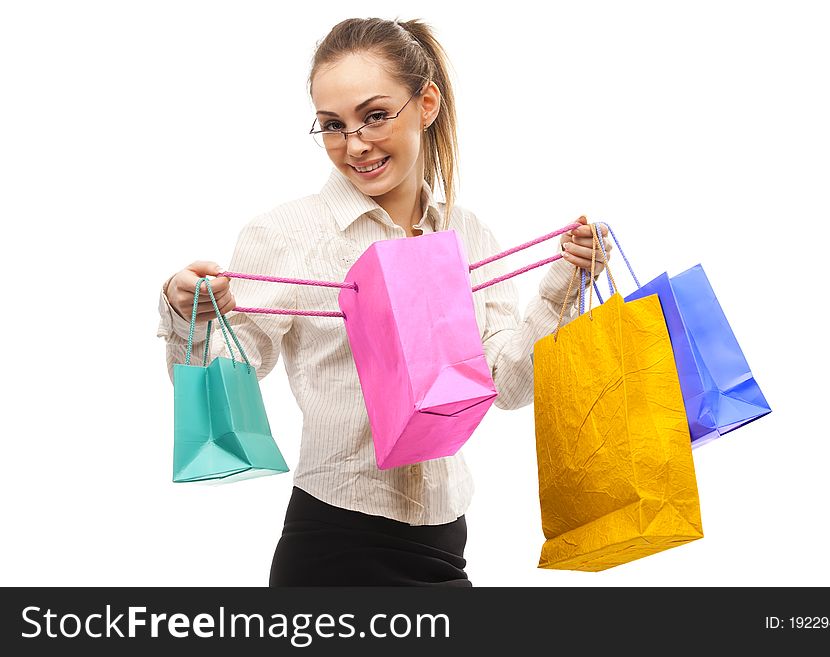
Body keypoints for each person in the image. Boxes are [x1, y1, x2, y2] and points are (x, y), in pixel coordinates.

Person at [156, 17, 612, 587]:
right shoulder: (290, 234)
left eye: (374, 116)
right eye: (332, 125)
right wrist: (188, 315)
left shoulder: (468, 237)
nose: (355, 144)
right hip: (334, 543)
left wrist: (564, 285)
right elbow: (228, 378)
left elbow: (509, 386)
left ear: (426, 104)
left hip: (446, 544)